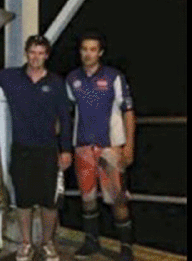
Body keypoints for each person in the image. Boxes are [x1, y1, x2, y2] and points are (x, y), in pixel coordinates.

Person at [0, 35, 73, 261]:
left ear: (47, 55)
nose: (36, 57)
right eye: (32, 52)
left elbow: (65, 118)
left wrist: (66, 150)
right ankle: (25, 243)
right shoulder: (10, 77)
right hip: (21, 149)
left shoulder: (56, 82)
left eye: (41, 53)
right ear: (26, 53)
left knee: (49, 202)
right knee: (23, 201)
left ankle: (47, 243)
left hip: (48, 150)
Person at [65, 32, 136, 261]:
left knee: (117, 199)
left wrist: (129, 146)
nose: (88, 53)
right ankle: (91, 242)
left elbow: (128, 112)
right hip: (83, 148)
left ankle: (126, 247)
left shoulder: (114, 77)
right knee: (87, 198)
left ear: (100, 52)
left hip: (110, 149)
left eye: (93, 49)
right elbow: (65, 113)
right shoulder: (72, 79)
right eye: (84, 49)